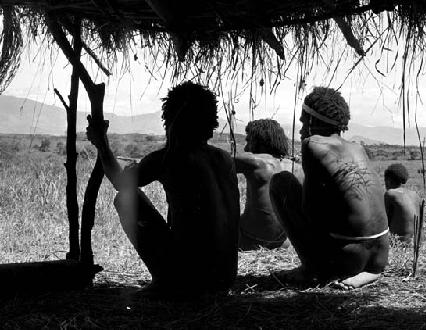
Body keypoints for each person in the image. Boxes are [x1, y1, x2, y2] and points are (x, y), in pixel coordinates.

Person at [86, 81, 240, 299]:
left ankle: (166, 281)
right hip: (225, 277)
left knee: (127, 198)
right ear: (210, 122)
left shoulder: (171, 158)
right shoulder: (223, 158)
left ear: (170, 120)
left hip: (192, 281)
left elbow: (119, 181)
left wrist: (101, 143)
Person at [269, 87, 389, 290]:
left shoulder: (313, 145)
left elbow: (310, 210)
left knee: (281, 183)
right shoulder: (357, 147)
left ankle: (310, 269)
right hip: (380, 256)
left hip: (345, 260)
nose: (301, 129)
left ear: (313, 122)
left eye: (303, 122)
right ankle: (370, 273)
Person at [235, 119, 304, 250]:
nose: (246, 147)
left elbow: (216, 163)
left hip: (249, 240)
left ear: (258, 141)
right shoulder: (298, 168)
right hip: (283, 243)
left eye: (249, 140)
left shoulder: (255, 162)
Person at [384, 163, 420, 244]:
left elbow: (383, 223)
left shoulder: (390, 194)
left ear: (388, 180)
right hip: (419, 243)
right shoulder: (415, 195)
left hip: (400, 244)